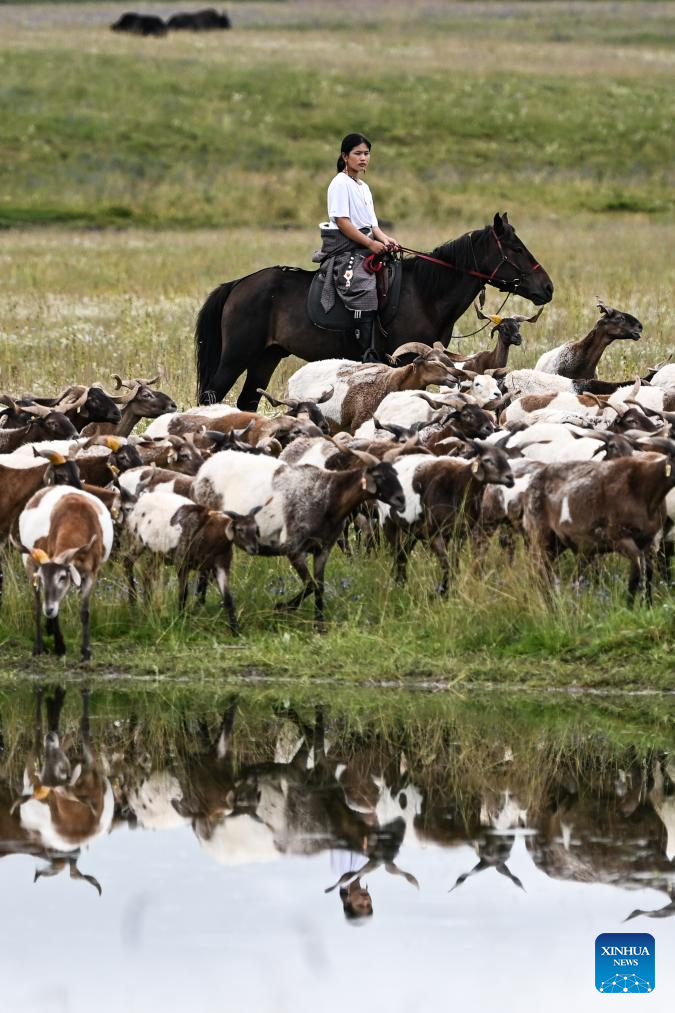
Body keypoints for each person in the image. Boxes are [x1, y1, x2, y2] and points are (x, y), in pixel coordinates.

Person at [314, 132, 399, 363]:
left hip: (366, 243)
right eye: (358, 153)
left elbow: (373, 225)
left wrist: (385, 240)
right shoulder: (339, 183)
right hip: (346, 248)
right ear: (345, 156)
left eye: (367, 153)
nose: (363, 158)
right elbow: (342, 222)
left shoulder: (364, 186)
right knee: (362, 285)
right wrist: (371, 243)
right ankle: (366, 353)